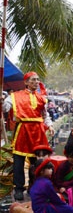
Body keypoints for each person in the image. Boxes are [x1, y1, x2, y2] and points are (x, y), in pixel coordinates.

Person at [2, 72, 55, 201]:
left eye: (37, 80)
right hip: (23, 129)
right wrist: (2, 102)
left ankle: (34, 185)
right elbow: (5, 109)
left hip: (37, 130)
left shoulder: (42, 97)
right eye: (33, 80)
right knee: (19, 160)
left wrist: (50, 125)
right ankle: (19, 188)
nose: (36, 82)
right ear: (26, 82)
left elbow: (45, 114)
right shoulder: (15, 96)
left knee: (37, 161)